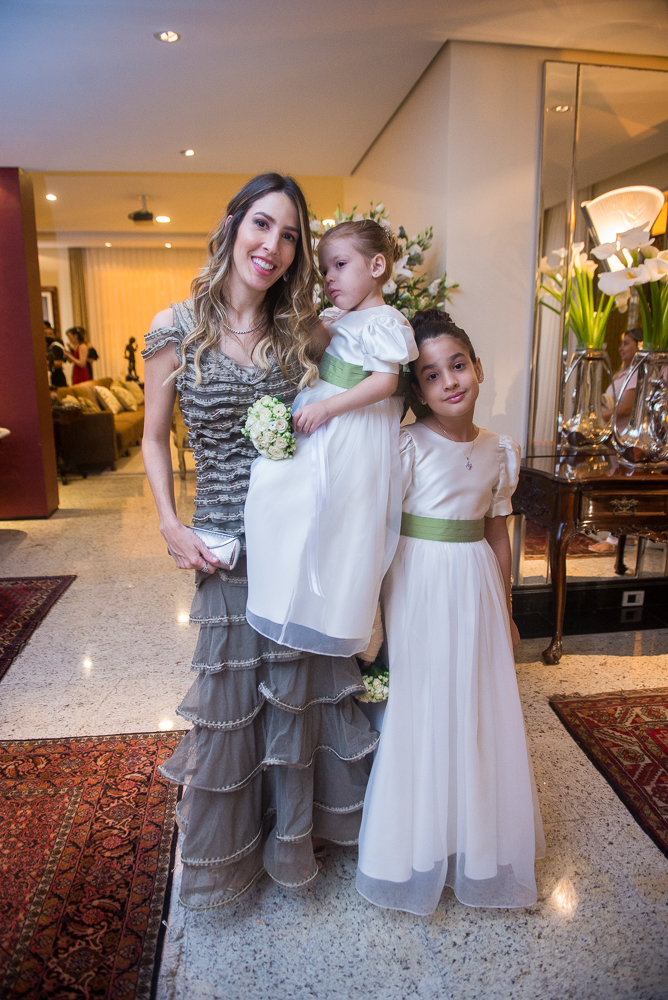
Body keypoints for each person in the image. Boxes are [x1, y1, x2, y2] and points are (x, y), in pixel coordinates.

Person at [141, 174, 378, 910]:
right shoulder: (174, 327)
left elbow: (371, 352)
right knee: (234, 697)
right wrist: (169, 524)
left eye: (289, 237)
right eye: (262, 225)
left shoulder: (299, 330)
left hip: (294, 540)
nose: (272, 247)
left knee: (297, 689)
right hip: (221, 542)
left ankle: (295, 838)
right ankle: (235, 854)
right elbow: (152, 438)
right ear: (234, 224)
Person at [356, 309, 545, 915]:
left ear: (478, 368)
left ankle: (473, 842)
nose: (449, 382)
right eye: (432, 375)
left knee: (475, 703)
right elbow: (381, 533)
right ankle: (411, 847)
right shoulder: (407, 445)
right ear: (418, 389)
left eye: (457, 366)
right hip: (418, 583)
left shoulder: (499, 451)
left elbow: (497, 534)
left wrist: (508, 608)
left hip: (476, 589)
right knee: (425, 701)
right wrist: (375, 612)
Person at [244, 219, 418, 657]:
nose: (331, 277)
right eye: (325, 270)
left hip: (351, 432)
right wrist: (312, 320)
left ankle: (327, 611)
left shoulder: (385, 321)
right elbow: (313, 350)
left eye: (340, 265)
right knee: (274, 492)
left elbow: (383, 382)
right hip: (324, 426)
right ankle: (280, 589)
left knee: (341, 524)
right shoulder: (341, 317)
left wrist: (325, 408)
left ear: (377, 265)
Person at [589, 327, 643, 554]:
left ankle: (614, 540)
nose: (620, 348)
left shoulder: (639, 373)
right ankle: (622, 536)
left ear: (639, 346)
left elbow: (628, 407)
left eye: (626, 343)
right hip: (617, 438)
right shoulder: (624, 373)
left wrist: (601, 416)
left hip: (632, 440)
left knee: (622, 489)